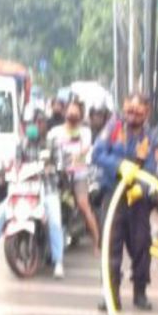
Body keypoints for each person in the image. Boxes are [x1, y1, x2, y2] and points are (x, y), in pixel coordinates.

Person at [0, 107, 65, 277]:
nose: (33, 127)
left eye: (37, 123)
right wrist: (4, 174)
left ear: (44, 124)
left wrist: (51, 169)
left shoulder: (53, 144)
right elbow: (15, 165)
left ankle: (58, 261)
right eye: (29, 123)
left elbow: (60, 166)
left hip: (47, 190)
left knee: (54, 222)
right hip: (23, 190)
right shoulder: (21, 144)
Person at [94, 93, 158, 311]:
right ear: (124, 108)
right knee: (111, 246)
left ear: (146, 113)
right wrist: (119, 165)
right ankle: (111, 295)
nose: (133, 116)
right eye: (130, 110)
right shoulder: (113, 128)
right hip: (113, 195)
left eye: (138, 112)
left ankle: (140, 292)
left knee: (141, 245)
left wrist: (143, 187)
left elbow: (152, 166)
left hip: (138, 199)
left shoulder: (150, 136)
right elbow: (97, 154)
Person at [47, 96, 101, 249]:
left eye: (75, 114)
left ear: (80, 116)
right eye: (70, 113)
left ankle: (97, 242)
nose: (72, 116)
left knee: (83, 205)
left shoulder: (85, 132)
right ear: (65, 113)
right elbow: (47, 149)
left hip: (78, 174)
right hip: (58, 174)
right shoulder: (55, 132)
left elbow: (85, 149)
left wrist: (76, 157)